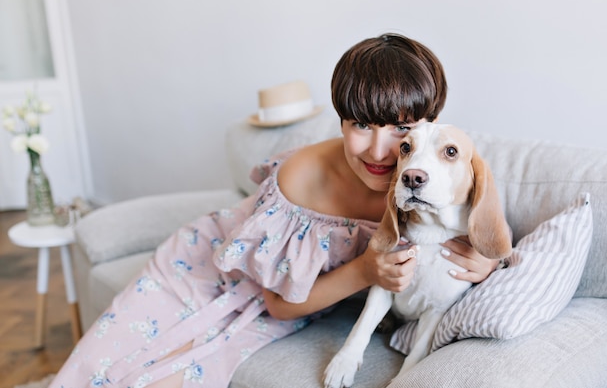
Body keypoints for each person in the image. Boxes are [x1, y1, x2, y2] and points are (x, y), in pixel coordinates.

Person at [51, 33, 499, 388]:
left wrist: (484, 258)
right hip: (206, 267)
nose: (380, 150)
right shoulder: (304, 174)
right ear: (341, 120)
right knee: (99, 364)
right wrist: (366, 271)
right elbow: (280, 303)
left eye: (401, 127)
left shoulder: (428, 184)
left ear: (429, 124)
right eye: (360, 124)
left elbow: (482, 229)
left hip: (284, 303)